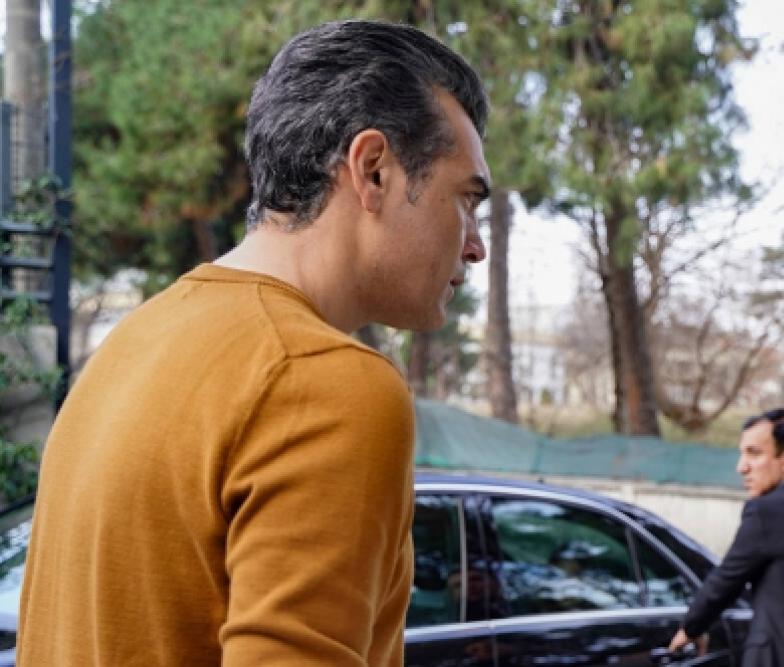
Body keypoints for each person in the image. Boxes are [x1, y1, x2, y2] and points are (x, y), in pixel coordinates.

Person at [18, 20, 489, 665]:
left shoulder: (133, 345)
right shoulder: (325, 382)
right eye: (465, 200)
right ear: (373, 170)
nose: (475, 245)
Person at [668, 408, 784, 666]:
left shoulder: (765, 511)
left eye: (754, 453)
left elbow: (727, 580)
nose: (741, 467)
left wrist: (690, 628)